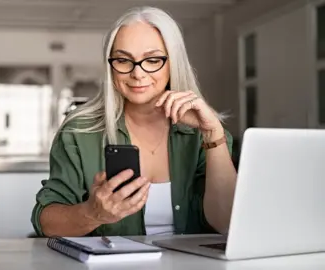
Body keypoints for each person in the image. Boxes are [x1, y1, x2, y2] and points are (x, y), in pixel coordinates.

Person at [31, 6, 237, 237]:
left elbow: (227, 222)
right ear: (111, 67)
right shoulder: (79, 131)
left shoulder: (206, 133)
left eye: (152, 60)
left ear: (173, 63)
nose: (137, 74)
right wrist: (93, 213)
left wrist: (213, 136)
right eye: (123, 60)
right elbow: (46, 222)